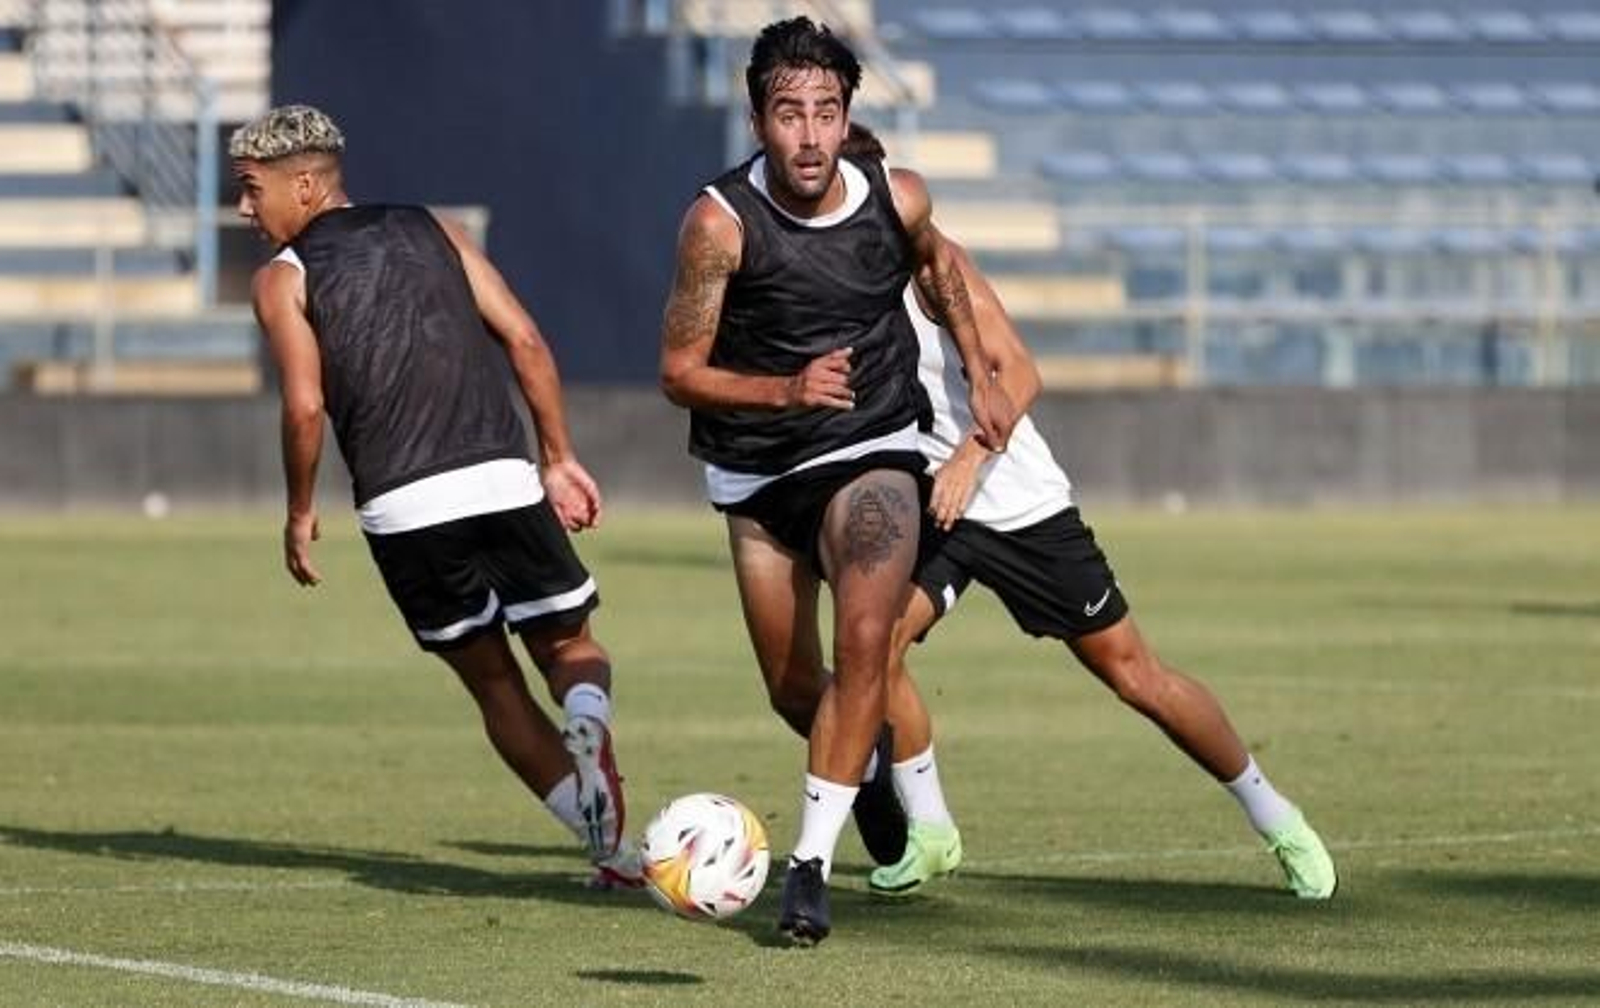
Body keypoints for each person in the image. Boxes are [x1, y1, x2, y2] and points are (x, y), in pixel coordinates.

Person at [827, 123, 1338, 902]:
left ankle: (1278, 817)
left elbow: (1021, 373)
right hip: (934, 508)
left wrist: (970, 458)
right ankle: (932, 830)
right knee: (873, 645)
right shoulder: (826, 287)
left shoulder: (937, 269)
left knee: (1136, 676)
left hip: (1017, 503)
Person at [658, 18, 1011, 945]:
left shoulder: (899, 199)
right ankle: (874, 768)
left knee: (865, 642)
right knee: (791, 686)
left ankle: (809, 868)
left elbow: (940, 268)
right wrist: (785, 388)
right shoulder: (717, 224)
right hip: (758, 468)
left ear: (848, 113)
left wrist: (977, 362)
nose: (809, 135)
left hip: (871, 445)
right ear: (758, 120)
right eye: (788, 114)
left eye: (826, 112)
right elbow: (678, 371)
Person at [237, 104, 641, 889]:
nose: (245, 210)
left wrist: (297, 510)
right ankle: (587, 721)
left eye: (253, 191)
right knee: (570, 647)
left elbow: (302, 405)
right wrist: (557, 457)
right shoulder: (436, 228)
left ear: (309, 184)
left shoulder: (282, 279)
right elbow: (525, 340)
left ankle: (606, 852)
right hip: (500, 473)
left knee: (492, 681)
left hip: (404, 505)